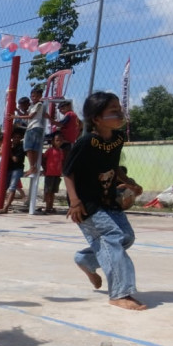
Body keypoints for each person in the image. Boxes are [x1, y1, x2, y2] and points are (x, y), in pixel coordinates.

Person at [63, 91, 145, 311]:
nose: (119, 112)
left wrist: (129, 183)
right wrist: (74, 202)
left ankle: (86, 260)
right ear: (97, 119)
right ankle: (120, 293)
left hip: (107, 199)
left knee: (126, 237)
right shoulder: (86, 142)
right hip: (86, 203)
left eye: (119, 108)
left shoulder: (117, 139)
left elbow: (114, 167)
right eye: (113, 110)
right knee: (113, 237)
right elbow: (68, 172)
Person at [16, 86, 45, 176]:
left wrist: (16, 117)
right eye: (32, 96)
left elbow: (30, 116)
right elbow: (25, 114)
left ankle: (32, 167)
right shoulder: (33, 105)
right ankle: (33, 167)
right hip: (34, 127)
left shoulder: (39, 105)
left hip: (34, 127)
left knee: (28, 147)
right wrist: (16, 110)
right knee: (33, 148)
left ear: (40, 96)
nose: (34, 98)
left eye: (36, 96)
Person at [0, 128, 26, 214]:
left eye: (18, 137)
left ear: (21, 138)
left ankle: (6, 207)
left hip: (17, 169)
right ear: (12, 138)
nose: (16, 139)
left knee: (12, 187)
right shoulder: (9, 146)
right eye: (15, 137)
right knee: (3, 187)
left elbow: (15, 159)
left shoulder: (21, 147)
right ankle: (0, 205)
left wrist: (9, 151)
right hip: (9, 169)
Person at [41, 134, 64, 214]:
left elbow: (61, 162)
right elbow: (43, 159)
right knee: (48, 192)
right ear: (53, 141)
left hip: (57, 174)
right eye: (57, 140)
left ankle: (51, 206)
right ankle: (47, 207)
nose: (59, 142)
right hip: (49, 174)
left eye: (61, 140)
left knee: (53, 192)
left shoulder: (61, 151)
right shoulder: (50, 150)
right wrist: (44, 168)